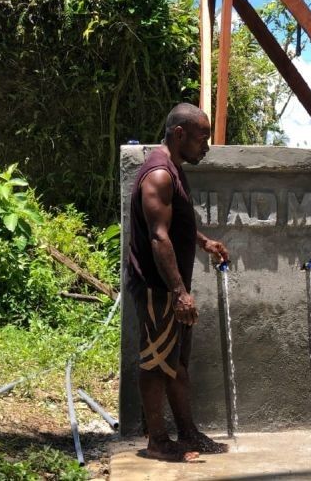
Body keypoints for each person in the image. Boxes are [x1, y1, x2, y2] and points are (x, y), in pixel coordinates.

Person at [127, 103, 230, 462]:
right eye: (202, 138)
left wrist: (203, 242)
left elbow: (174, 223)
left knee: (175, 364)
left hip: (169, 288)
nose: (206, 146)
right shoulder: (159, 175)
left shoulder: (174, 168)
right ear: (179, 134)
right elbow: (159, 237)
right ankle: (157, 441)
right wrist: (179, 293)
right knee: (156, 362)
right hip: (159, 288)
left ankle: (187, 433)